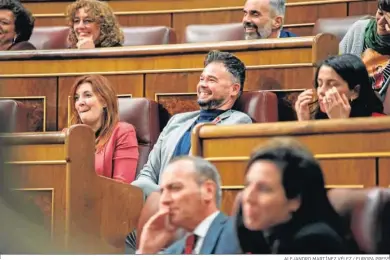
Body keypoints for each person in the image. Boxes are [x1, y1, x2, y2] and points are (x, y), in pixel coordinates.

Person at [131, 50, 252, 197]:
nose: (202, 85)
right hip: (160, 201)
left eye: (211, 80)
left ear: (234, 89)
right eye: (202, 79)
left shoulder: (238, 122)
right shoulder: (177, 120)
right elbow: (149, 172)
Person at [235, 138, 357, 254]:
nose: (248, 198)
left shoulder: (315, 243)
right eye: (247, 185)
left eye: (264, 189)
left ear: (295, 200)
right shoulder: (257, 231)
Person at [138, 156, 240, 254]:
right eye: (162, 191)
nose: (164, 200)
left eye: (175, 188)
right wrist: (146, 251)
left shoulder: (240, 235)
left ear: (208, 191)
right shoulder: (172, 252)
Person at [67, 75, 138, 183]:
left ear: (104, 101)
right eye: (77, 98)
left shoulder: (123, 132)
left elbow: (122, 187)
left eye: (87, 95)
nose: (80, 103)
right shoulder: (69, 135)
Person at [295, 54, 384, 121]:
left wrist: (339, 123)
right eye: (319, 84)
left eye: (332, 85)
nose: (321, 91)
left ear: (355, 91)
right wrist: (304, 124)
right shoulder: (317, 119)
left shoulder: (379, 123)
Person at [340, 0, 390, 92]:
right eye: (380, 13)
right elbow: (335, 67)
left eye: (388, 18)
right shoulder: (358, 29)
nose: (381, 22)